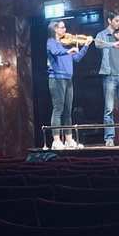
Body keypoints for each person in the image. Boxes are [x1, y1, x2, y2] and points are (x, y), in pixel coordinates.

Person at [46, 21, 90, 149]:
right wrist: (68, 51)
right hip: (57, 79)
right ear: (55, 29)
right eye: (62, 27)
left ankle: (69, 140)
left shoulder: (65, 44)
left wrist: (85, 46)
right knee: (58, 109)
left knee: (67, 111)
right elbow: (55, 52)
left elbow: (76, 58)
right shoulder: (51, 42)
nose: (65, 29)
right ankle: (56, 140)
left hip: (68, 79)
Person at [95, 10, 119, 147]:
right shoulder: (102, 35)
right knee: (108, 109)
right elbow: (98, 44)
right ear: (109, 20)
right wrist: (113, 44)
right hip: (109, 75)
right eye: (116, 21)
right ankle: (109, 138)